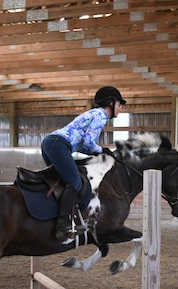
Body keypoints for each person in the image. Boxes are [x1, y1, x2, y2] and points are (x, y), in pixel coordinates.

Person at [41, 86, 126, 240]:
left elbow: (84, 146)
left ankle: (48, 217)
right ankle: (63, 225)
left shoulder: (93, 114)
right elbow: (89, 141)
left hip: (51, 144)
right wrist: (102, 150)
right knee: (75, 183)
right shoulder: (101, 115)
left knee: (61, 182)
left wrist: (97, 152)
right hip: (59, 145)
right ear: (111, 103)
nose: (120, 109)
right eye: (120, 105)